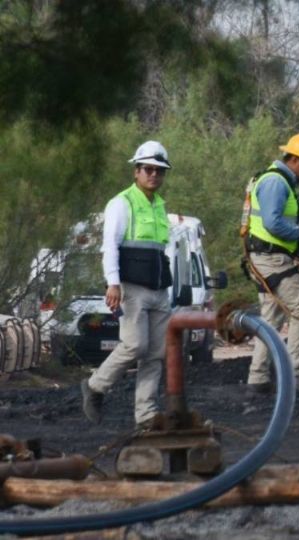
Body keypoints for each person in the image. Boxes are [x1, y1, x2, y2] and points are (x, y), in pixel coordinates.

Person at [81, 141, 174, 428]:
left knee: (156, 354)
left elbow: (161, 249)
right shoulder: (122, 203)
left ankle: (145, 415)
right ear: (136, 172)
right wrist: (113, 283)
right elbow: (110, 246)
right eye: (148, 169)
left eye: (159, 171)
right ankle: (95, 386)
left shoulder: (159, 205)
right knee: (135, 345)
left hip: (159, 290)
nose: (154, 175)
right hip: (132, 288)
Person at [243, 133, 299, 394]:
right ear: (295, 159)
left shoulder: (280, 183)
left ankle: (257, 379)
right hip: (270, 258)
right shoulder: (275, 183)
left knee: (271, 317)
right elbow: (273, 223)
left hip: (268, 257)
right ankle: (295, 376)